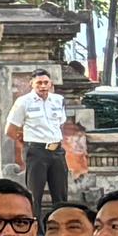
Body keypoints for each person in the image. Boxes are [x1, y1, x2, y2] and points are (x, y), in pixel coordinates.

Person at [12, 71, 76, 212]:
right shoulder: (24, 102)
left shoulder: (58, 100)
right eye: (39, 83)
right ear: (32, 84)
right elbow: (11, 129)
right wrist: (27, 144)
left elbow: (60, 123)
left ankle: (60, 222)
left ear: (50, 83)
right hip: (36, 151)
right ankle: (36, 225)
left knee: (61, 194)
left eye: (46, 82)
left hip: (57, 151)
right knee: (34, 195)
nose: (43, 86)